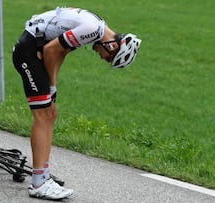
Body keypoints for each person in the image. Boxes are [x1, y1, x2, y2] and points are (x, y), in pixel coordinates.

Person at [12, 7, 141, 200]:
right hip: (29, 52)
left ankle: (43, 176)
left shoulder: (97, 26)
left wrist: (52, 88)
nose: (102, 58)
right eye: (108, 59)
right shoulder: (93, 29)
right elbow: (50, 50)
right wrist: (50, 85)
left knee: (50, 114)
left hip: (35, 49)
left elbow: (61, 52)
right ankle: (39, 183)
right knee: (43, 115)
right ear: (112, 47)